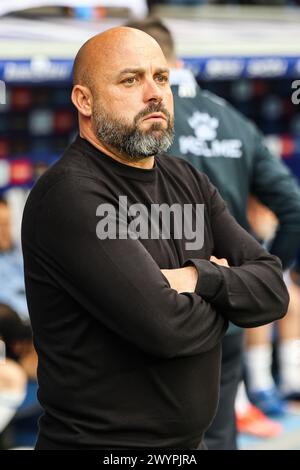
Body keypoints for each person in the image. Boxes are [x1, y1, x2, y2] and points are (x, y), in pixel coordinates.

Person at [22, 26, 289, 450]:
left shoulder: (187, 178)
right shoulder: (71, 195)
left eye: (161, 78)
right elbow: (167, 329)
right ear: (84, 100)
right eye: (131, 80)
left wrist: (199, 280)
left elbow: (274, 291)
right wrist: (230, 298)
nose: (154, 94)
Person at [124, 17, 300, 448]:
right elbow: (294, 208)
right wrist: (263, 278)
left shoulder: (137, 124)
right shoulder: (234, 121)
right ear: (180, 59)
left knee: (153, 447)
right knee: (219, 439)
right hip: (229, 313)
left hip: (163, 315)